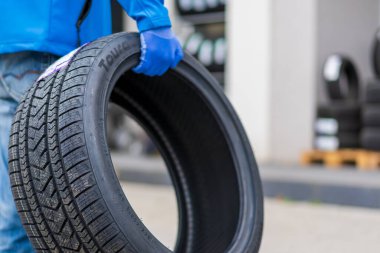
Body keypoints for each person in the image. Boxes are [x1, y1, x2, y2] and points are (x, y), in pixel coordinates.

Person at [0, 1, 183, 252]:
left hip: (11, 44)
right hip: (52, 44)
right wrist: (152, 17)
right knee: (49, 212)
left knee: (15, 207)